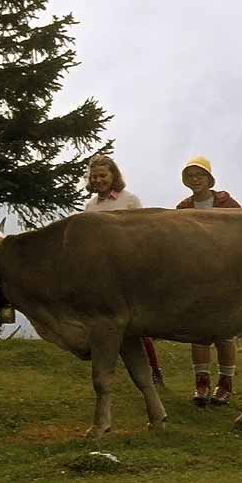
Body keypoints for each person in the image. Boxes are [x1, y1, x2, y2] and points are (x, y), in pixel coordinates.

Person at [83, 154, 165, 389]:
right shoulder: (90, 207)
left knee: (137, 324)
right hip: (102, 274)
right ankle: (111, 372)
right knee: (108, 322)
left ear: (114, 176)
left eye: (103, 175)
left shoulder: (130, 200)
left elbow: (145, 234)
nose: (98, 180)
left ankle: (153, 370)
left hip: (128, 270)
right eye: (94, 176)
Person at [176, 155, 241, 406]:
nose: (195, 180)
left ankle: (225, 385)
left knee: (225, 332)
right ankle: (201, 384)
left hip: (226, 274)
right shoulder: (183, 208)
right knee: (198, 331)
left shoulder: (227, 204)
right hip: (195, 276)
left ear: (209, 178)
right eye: (191, 176)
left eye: (200, 175)